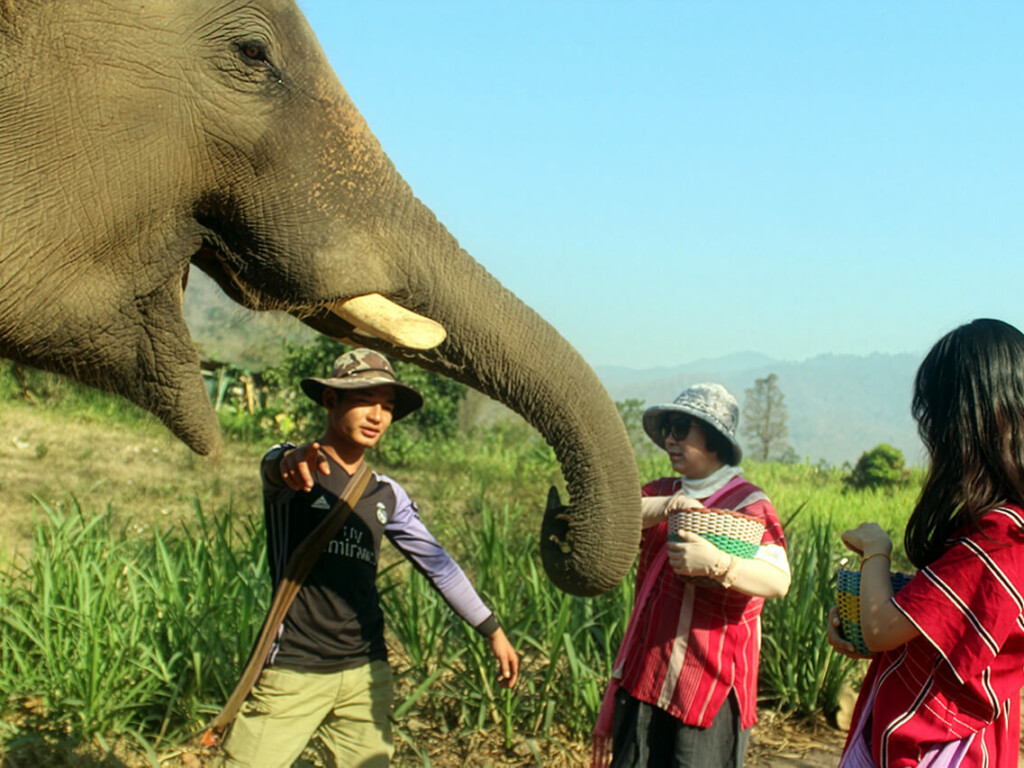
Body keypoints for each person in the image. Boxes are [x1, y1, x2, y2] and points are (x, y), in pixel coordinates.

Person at [218, 348, 519, 768]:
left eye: (388, 407)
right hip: (294, 668)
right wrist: (286, 460)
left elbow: (438, 564)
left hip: (366, 673)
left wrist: (491, 629)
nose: (378, 415)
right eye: (364, 400)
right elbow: (275, 464)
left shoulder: (385, 494)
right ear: (330, 401)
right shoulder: (297, 469)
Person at [827, 318, 1024, 768]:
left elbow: (882, 627)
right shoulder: (997, 532)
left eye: (938, 418)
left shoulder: (999, 540)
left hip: (941, 748)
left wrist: (877, 549)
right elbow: (932, 633)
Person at [593, 383, 790, 768]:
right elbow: (611, 516)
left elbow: (777, 580)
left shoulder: (749, 504)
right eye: (668, 429)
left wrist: (719, 563)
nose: (670, 439)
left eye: (682, 429)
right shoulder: (661, 492)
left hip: (708, 686)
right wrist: (669, 505)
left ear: (714, 439)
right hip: (645, 673)